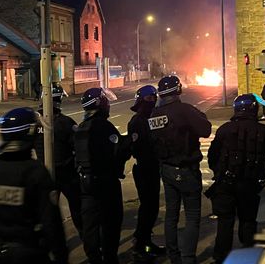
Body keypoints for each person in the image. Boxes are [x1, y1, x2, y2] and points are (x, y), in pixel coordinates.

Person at [0, 107, 68, 264]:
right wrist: (60, 256)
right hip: (28, 254)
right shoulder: (35, 172)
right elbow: (51, 222)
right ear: (30, 133)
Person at [149, 75, 212, 264]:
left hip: (167, 169)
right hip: (187, 170)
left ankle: (173, 256)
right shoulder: (184, 110)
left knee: (171, 214)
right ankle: (188, 258)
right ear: (178, 90)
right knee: (192, 217)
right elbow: (206, 129)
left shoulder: (154, 115)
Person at [207, 94, 265, 264]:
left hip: (226, 184)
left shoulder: (224, 130)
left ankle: (221, 257)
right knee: (248, 220)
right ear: (254, 109)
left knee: (225, 221)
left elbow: (212, 156)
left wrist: (218, 172)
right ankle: (249, 255)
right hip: (251, 184)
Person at [74, 88, 131, 264]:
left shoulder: (81, 127)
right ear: (101, 104)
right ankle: (109, 258)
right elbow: (118, 151)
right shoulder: (104, 126)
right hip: (105, 181)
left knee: (90, 224)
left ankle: (93, 257)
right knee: (111, 222)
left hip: (85, 182)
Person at [35, 84, 82, 237]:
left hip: (45, 174)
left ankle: (48, 243)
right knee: (77, 207)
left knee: (47, 212)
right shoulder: (66, 123)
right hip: (66, 173)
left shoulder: (35, 123)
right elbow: (79, 146)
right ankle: (87, 240)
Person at [128, 85, 166, 262]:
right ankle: (140, 244)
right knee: (148, 208)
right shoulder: (137, 121)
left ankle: (145, 241)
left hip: (151, 167)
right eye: (150, 98)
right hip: (144, 168)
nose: (153, 101)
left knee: (151, 208)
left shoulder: (150, 117)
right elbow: (139, 147)